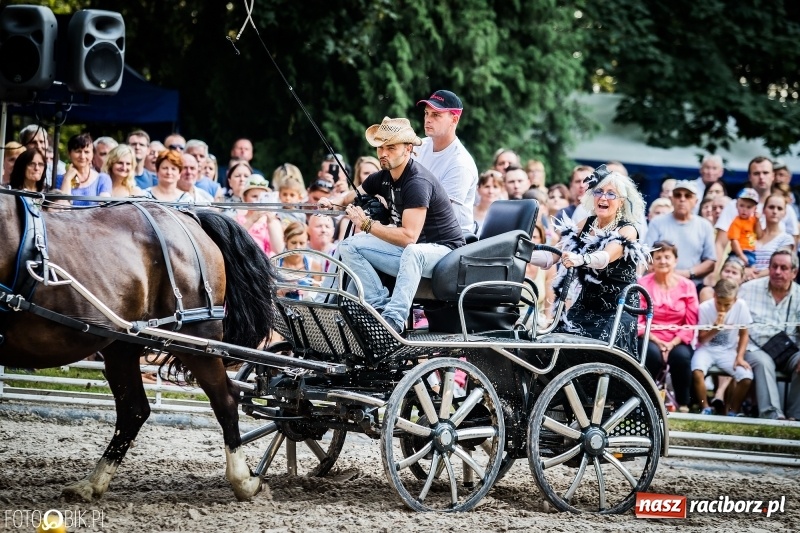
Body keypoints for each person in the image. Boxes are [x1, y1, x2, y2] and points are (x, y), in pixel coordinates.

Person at [320, 116, 465, 334]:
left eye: (391, 147)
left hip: (444, 253)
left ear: (408, 149)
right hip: (409, 253)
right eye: (380, 147)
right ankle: (345, 305)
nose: (383, 153)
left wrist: (367, 224)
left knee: (413, 252)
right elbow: (357, 193)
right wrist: (335, 202)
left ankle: (392, 319)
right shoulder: (383, 176)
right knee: (348, 246)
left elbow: (409, 237)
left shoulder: (417, 182)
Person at [530, 166, 650, 356]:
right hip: (586, 306)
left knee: (595, 355)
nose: (603, 198)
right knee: (553, 350)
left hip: (617, 310)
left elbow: (605, 257)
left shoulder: (628, 229)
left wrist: (580, 258)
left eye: (611, 194)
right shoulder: (585, 224)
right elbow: (550, 257)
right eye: (599, 191)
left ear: (621, 202)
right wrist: (518, 254)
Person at [637, 241, 698, 412]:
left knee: (681, 358)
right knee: (650, 354)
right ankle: (643, 402)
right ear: (652, 262)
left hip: (677, 339)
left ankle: (683, 403)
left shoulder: (688, 286)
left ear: (675, 260)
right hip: (650, 337)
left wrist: (671, 344)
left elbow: (691, 323)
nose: (663, 261)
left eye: (667, 257)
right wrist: (657, 341)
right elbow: (638, 321)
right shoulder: (642, 284)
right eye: (658, 257)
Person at [739, 249, 800, 420]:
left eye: (783, 268)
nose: (777, 272)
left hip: (789, 350)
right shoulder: (748, 289)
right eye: (774, 267)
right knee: (763, 363)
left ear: (794, 273)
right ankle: (773, 417)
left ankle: (795, 417)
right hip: (755, 347)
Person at [413, 89, 479, 234]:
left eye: (436, 115)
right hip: (419, 231)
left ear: (454, 120)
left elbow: (435, 212)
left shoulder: (461, 163)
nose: (428, 119)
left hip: (452, 240)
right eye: (426, 113)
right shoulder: (418, 147)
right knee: (356, 242)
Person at [716, 157, 798, 262]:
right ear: (749, 177)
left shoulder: (785, 208)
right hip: (739, 266)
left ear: (773, 175)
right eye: (756, 173)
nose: (761, 177)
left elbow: (792, 249)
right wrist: (713, 276)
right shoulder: (734, 205)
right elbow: (720, 244)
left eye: (765, 173)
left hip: (773, 271)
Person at [692, 279, 753, 416]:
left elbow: (744, 334)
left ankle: (733, 411)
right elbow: (701, 339)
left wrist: (740, 357)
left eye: (727, 305)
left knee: (746, 377)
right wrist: (715, 328)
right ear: (714, 296)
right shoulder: (705, 308)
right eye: (719, 303)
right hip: (706, 349)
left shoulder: (741, 306)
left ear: (735, 300)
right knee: (697, 371)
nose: (722, 308)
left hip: (728, 350)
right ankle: (705, 407)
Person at [646, 180, 716, 288]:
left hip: (693, 285)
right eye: (678, 195)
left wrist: (688, 273)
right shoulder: (657, 222)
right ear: (671, 199)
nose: (682, 199)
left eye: (688, 196)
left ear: (696, 201)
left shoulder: (705, 226)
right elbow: (646, 256)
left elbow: (710, 262)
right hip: (659, 284)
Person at [746, 193, 794, 280]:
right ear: (764, 210)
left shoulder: (786, 239)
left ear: (784, 213)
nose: (775, 211)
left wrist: (756, 276)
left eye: (779, 208)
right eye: (771, 207)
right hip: (746, 281)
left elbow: (782, 265)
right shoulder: (751, 234)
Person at [56, 133, 112, 206]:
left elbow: (104, 208)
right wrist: (67, 179)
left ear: (93, 154)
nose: (82, 156)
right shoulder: (59, 179)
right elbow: (61, 207)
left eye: (86, 152)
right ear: (69, 154)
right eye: (78, 151)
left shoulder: (103, 179)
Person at [236, 175, 283, 256]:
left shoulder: (274, 221)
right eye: (254, 196)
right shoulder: (237, 220)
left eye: (262, 196)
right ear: (245, 198)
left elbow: (279, 250)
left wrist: (271, 222)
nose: (258, 200)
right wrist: (251, 220)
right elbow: (235, 244)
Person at [276, 221, 317, 300]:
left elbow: (319, 297)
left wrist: (307, 293)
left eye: (301, 243)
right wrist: (283, 291)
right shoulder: (274, 263)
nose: (297, 247)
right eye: (293, 242)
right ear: (285, 240)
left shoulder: (314, 265)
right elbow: (267, 294)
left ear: (307, 242)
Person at [727, 188, 763, 266]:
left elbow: (760, 235)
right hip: (740, 251)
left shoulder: (753, 220)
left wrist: (758, 221)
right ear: (736, 205)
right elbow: (734, 241)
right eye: (742, 206)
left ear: (755, 209)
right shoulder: (736, 222)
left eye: (749, 207)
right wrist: (740, 255)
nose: (744, 210)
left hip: (752, 251)